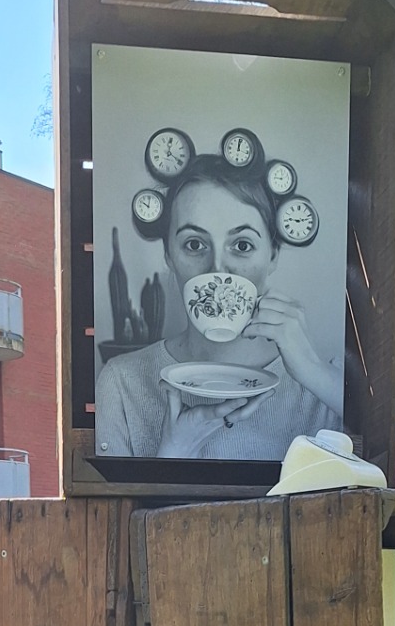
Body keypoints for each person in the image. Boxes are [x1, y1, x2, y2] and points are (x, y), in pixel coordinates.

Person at [95, 154, 342, 460]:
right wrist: (174, 453)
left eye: (242, 245)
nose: (218, 269)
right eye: (194, 245)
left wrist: (314, 371)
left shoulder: (324, 386)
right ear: (169, 256)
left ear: (273, 255)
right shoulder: (122, 382)